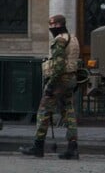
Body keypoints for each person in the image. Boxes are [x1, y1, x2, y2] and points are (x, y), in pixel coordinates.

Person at [19, 14, 80, 159]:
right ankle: (73, 148)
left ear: (58, 25)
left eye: (53, 26)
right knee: (69, 113)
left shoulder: (60, 40)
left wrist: (51, 85)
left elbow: (58, 66)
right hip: (71, 78)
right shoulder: (73, 38)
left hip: (59, 80)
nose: (51, 28)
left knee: (43, 112)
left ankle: (38, 146)